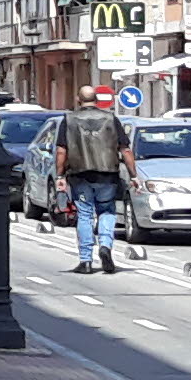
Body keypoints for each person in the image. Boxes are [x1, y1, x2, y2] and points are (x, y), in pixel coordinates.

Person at [59, 94, 131, 273]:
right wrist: (134, 175)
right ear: (97, 99)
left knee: (84, 215)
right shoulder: (111, 119)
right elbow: (125, 149)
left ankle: (86, 261)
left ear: (78, 99)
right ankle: (105, 246)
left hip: (79, 174)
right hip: (107, 174)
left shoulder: (69, 120)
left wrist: (60, 175)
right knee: (106, 211)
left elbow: (61, 151)